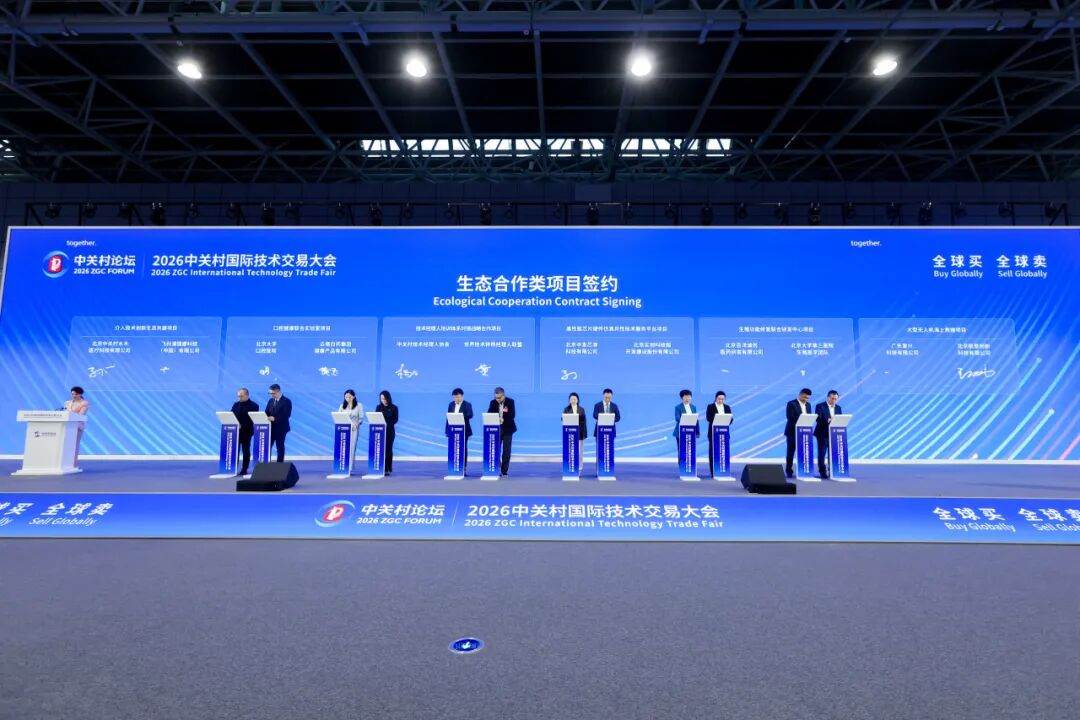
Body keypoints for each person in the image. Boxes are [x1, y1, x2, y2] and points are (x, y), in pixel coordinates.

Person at [487, 387, 516, 477]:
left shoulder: (510, 402)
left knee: (506, 450)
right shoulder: (493, 402)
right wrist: (496, 419)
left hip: (507, 429)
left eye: (499, 398)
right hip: (496, 429)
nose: (497, 399)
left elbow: (512, 415)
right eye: (496, 397)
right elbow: (489, 413)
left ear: (504, 395)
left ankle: (504, 471)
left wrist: (503, 419)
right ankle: (497, 468)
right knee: (495, 449)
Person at [784, 388, 813, 478]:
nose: (806, 399)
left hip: (805, 432)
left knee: (804, 452)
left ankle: (803, 470)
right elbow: (790, 417)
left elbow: (809, 416)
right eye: (804, 397)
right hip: (792, 431)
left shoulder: (808, 405)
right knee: (791, 452)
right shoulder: (791, 403)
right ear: (800, 394)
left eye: (807, 398)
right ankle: (789, 470)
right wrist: (802, 419)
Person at [814, 390, 842, 479]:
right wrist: (828, 420)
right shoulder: (820, 406)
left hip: (834, 434)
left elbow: (840, 419)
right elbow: (818, 419)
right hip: (822, 433)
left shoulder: (838, 408)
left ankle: (832, 471)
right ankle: (822, 472)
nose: (834, 400)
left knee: (833, 453)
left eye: (835, 399)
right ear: (828, 397)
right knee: (822, 453)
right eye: (832, 398)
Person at [231, 387, 259, 475]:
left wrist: (242, 425)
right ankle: (233, 468)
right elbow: (231, 416)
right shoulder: (236, 405)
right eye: (238, 396)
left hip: (247, 431)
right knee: (235, 450)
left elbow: (253, 419)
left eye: (241, 396)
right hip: (235, 432)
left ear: (247, 395)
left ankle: (244, 468)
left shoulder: (254, 406)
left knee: (245, 450)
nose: (239, 398)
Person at [445, 388, 474, 474]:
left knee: (463, 449)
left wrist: (460, 416)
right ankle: (453, 467)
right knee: (453, 449)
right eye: (455, 397)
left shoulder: (467, 404)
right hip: (453, 430)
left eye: (458, 397)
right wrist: (447, 430)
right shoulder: (451, 405)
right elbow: (448, 418)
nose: (457, 399)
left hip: (464, 430)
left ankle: (463, 468)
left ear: (462, 396)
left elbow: (470, 414)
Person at [704, 391, 733, 477]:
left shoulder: (727, 407)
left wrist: (726, 420)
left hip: (724, 433)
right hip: (713, 433)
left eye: (723, 399)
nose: (721, 400)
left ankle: (724, 470)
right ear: (716, 398)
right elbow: (708, 418)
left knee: (723, 452)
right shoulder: (710, 406)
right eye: (719, 399)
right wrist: (718, 419)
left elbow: (731, 419)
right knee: (713, 452)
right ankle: (713, 471)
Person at [63, 386, 90, 467]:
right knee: (65, 444)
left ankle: (73, 464)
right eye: (72, 394)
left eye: (75, 394)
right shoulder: (67, 403)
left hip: (77, 425)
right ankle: (64, 463)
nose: (74, 396)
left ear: (80, 394)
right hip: (66, 425)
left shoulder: (84, 403)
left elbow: (80, 415)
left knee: (74, 444)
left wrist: (69, 412)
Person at [266, 383, 292, 462]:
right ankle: (266, 463)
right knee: (267, 447)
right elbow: (267, 412)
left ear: (278, 391)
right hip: (271, 428)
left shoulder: (286, 401)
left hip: (281, 428)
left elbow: (286, 415)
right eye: (270, 393)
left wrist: (275, 418)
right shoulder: (271, 401)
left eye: (273, 393)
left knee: (279, 447)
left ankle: (279, 464)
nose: (271, 395)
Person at [377, 390, 399, 475]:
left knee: (388, 449)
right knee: (380, 449)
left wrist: (387, 423)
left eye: (385, 398)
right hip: (380, 431)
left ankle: (388, 468)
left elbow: (395, 420)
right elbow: (376, 418)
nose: (383, 400)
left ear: (388, 398)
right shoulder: (379, 407)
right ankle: (379, 467)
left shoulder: (394, 408)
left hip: (389, 431)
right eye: (382, 399)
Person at [341, 389, 364, 469]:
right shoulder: (342, 405)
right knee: (343, 447)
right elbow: (338, 415)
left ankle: (349, 467)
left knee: (351, 447)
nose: (347, 399)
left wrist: (356, 425)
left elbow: (361, 418)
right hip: (343, 429)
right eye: (346, 397)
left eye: (349, 397)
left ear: (353, 397)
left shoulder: (359, 405)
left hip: (354, 429)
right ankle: (342, 466)